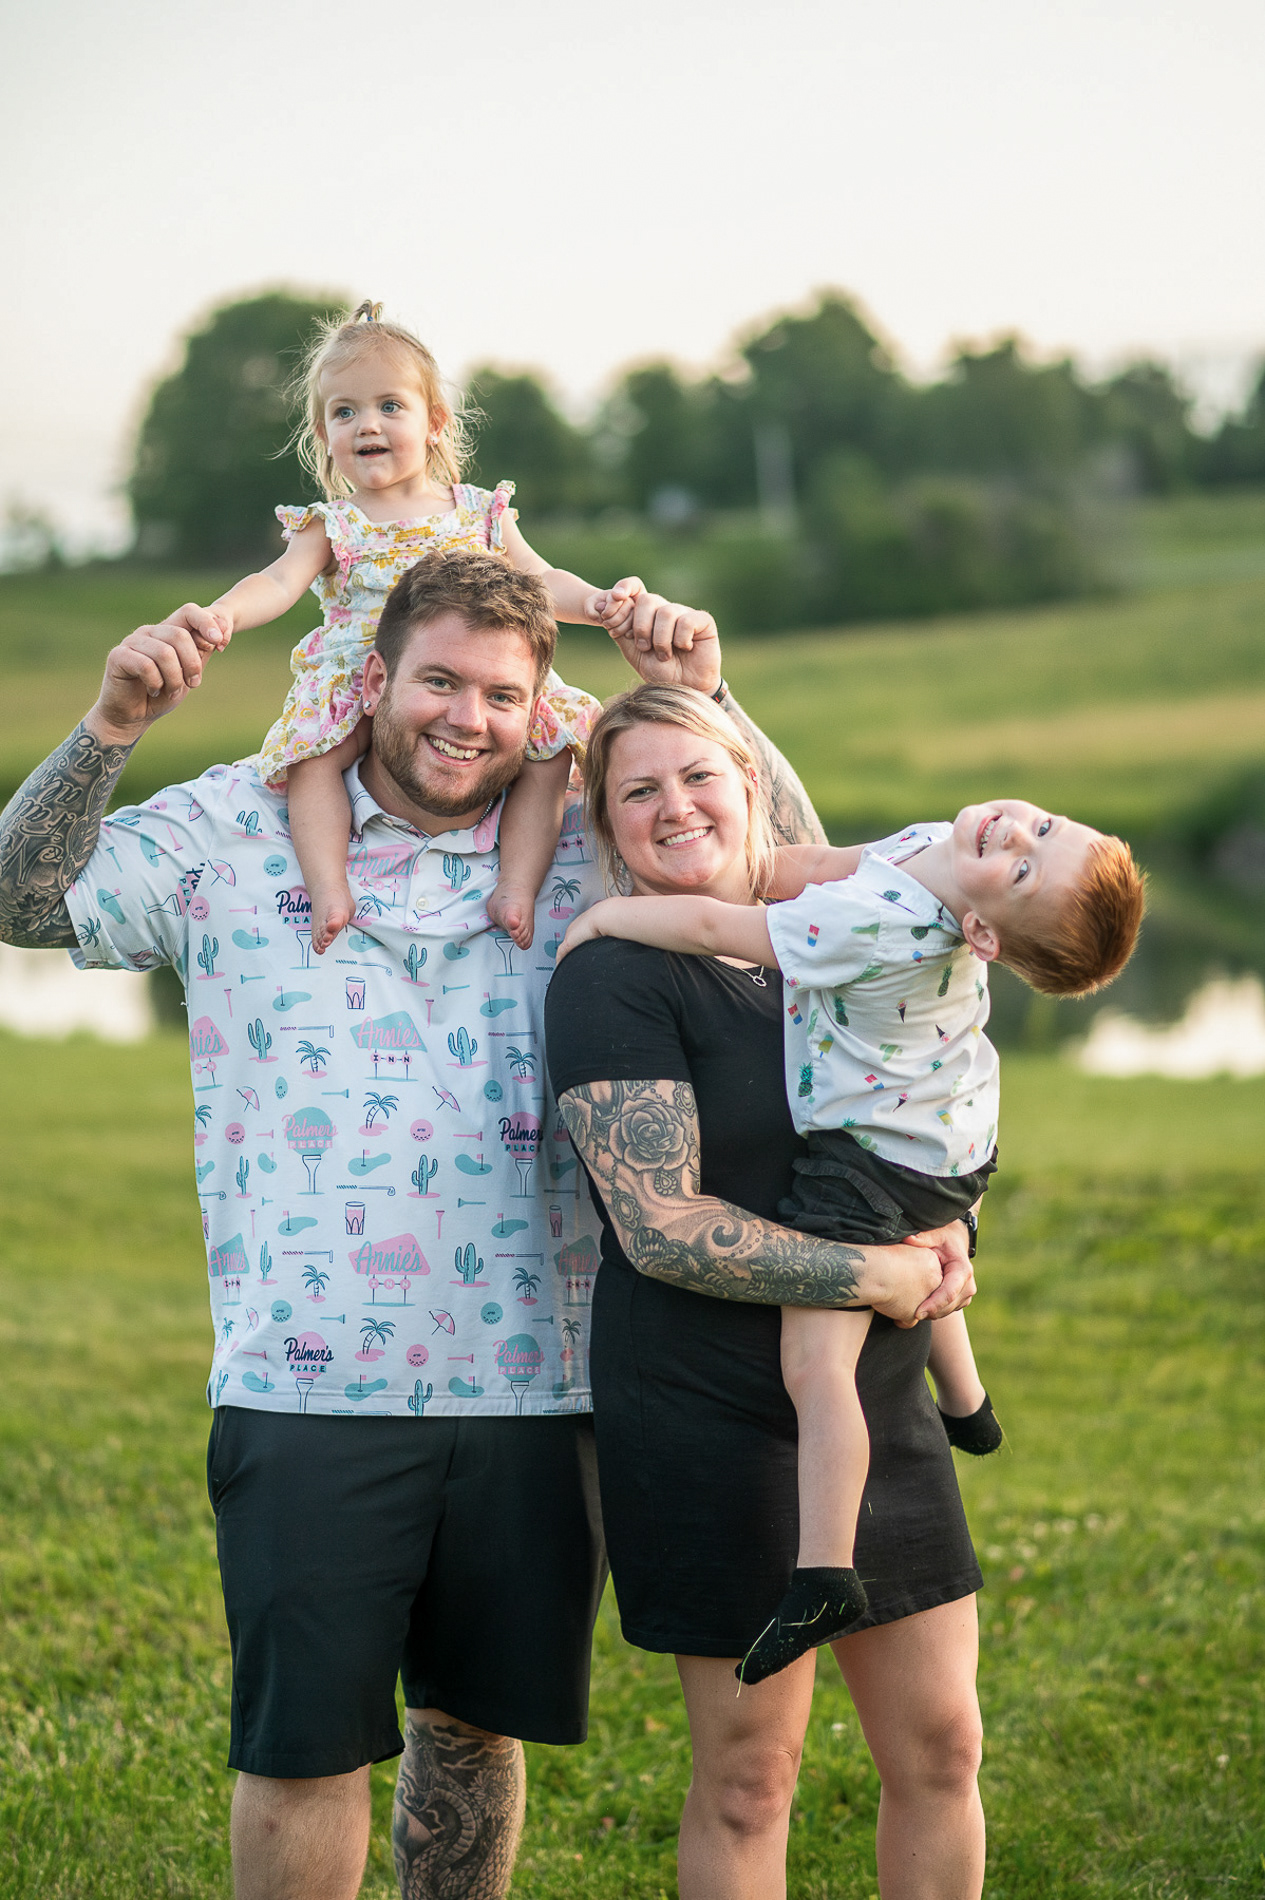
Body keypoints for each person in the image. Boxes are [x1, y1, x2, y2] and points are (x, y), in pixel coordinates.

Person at [0, 556, 955, 1900]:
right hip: (307, 1383)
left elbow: (789, 892)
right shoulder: (233, 826)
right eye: (438, 681)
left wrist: (707, 698)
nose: (468, 717)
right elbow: (22, 901)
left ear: (537, 703)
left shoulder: (588, 840)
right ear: (373, 677)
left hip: (544, 1390)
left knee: (471, 1732)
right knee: (302, 1749)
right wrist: (110, 727)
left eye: (503, 694)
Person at [545, 684, 989, 1900]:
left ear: (750, 784)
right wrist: (881, 1272)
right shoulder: (614, 973)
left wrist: (946, 1232)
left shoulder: (831, 934)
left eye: (698, 774)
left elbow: (921, 1100)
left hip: (872, 1391)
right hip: (703, 1406)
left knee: (942, 1748)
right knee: (749, 1779)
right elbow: (661, 1227)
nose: (674, 806)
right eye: (637, 790)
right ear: (606, 825)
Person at [560, 802, 1145, 1682]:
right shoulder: (938, 849)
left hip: (874, 1155)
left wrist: (606, 917)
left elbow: (717, 929)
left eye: (1025, 869)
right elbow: (822, 861)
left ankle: (823, 1571)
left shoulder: (874, 925)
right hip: (951, 1137)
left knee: (817, 1367)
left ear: (981, 935)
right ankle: (968, 1405)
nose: (1018, 834)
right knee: (925, 1245)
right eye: (1050, 827)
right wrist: (761, 866)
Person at [167, 299, 656, 956]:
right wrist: (224, 613)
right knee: (314, 762)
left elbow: (540, 578)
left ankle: (515, 886)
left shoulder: (477, 512)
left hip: (469, 672)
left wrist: (596, 602)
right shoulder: (333, 523)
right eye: (344, 412)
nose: (366, 424)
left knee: (548, 753)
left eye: (389, 406)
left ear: (434, 422)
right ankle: (329, 887)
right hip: (359, 675)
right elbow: (278, 582)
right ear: (324, 435)